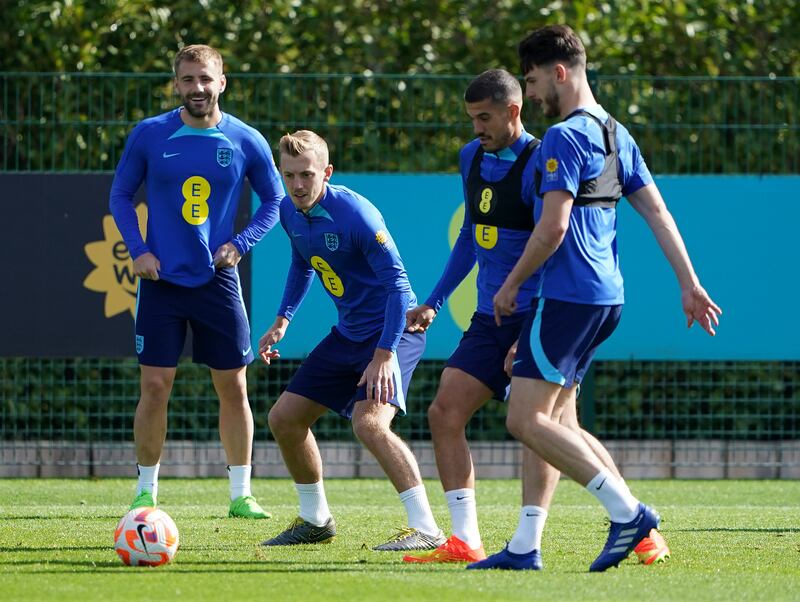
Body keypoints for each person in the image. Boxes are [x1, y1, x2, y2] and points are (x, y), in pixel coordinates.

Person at [472, 25, 721, 572]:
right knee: (557, 421)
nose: (531, 94)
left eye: (534, 81)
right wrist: (690, 283)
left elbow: (554, 227)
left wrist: (512, 286)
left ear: (559, 72)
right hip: (605, 296)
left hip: (565, 294)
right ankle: (524, 546)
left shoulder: (563, 136)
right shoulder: (616, 133)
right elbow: (657, 212)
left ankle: (628, 513)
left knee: (523, 419)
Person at [403, 69, 668, 568]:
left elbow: (556, 241)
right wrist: (435, 300)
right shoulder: (470, 158)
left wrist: (527, 329)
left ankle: (634, 529)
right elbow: (470, 236)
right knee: (445, 411)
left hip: (538, 312)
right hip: (489, 314)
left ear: (513, 111)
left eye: (485, 118)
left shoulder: (543, 157)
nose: (476, 128)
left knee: (549, 424)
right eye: (471, 118)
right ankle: (465, 538)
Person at [109, 44, 283, 519]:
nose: (198, 88)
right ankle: (145, 491)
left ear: (222, 82)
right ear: (176, 84)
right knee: (156, 386)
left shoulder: (246, 140)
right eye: (188, 80)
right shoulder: (149, 134)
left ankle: (241, 495)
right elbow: (121, 194)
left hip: (217, 282)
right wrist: (139, 250)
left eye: (206, 79)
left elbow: (274, 201)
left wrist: (241, 243)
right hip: (162, 281)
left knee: (233, 387)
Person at [258, 130, 445, 551]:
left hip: (394, 334)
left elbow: (399, 286)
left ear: (327, 172)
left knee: (369, 424)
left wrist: (384, 353)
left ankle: (428, 529)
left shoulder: (356, 213)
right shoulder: (289, 212)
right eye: (289, 176)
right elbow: (302, 263)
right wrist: (283, 318)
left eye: (306, 175)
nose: (298, 185)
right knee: (284, 419)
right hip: (348, 336)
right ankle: (315, 520)